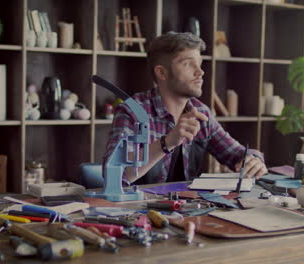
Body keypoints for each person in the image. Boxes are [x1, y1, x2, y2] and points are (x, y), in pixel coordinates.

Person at [104, 31, 267, 185]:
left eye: (200, 64)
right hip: (138, 210)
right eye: (188, 64)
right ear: (162, 73)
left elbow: (237, 154)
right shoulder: (132, 112)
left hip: (187, 211)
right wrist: (167, 142)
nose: (200, 72)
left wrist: (253, 160)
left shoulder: (200, 112)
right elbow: (115, 174)